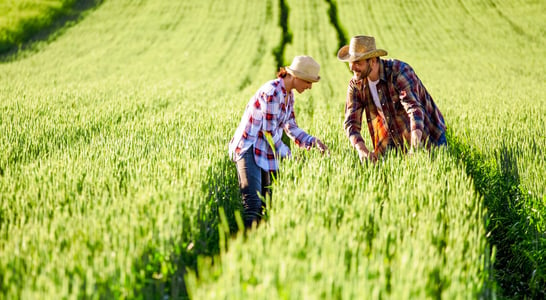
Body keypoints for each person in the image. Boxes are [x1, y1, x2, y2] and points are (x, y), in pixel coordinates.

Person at [228, 55, 329, 228]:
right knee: (253, 205)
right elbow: (270, 133)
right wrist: (289, 157)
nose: (310, 87)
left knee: (267, 204)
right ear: (296, 77)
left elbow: (290, 126)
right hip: (250, 149)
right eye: (308, 82)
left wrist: (312, 141)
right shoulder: (272, 92)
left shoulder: (289, 95)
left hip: (264, 152)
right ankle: (243, 249)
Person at [337, 35, 446, 163]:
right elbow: (351, 123)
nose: (352, 67)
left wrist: (415, 146)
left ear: (372, 61)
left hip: (427, 134)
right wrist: (363, 151)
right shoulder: (356, 85)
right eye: (351, 62)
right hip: (393, 138)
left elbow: (414, 109)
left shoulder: (399, 72)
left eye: (358, 62)